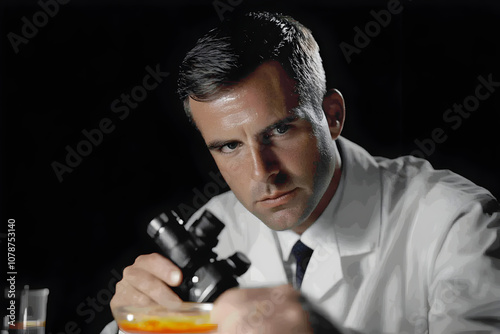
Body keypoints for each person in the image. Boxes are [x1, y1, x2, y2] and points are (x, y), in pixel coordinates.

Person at [105, 11, 500, 334]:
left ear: (332, 116)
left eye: (279, 130)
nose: (263, 172)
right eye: (230, 146)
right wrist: (135, 324)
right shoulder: (222, 223)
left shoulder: (454, 223)